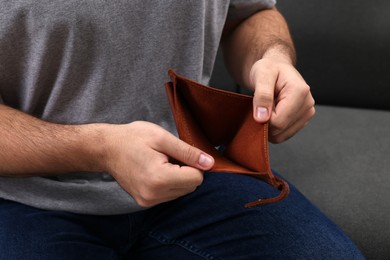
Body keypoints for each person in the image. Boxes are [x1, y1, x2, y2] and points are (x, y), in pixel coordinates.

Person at [0, 1, 363, 259]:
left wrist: (271, 58)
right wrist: (99, 149)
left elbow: (250, 14)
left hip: (194, 171)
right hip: (26, 195)